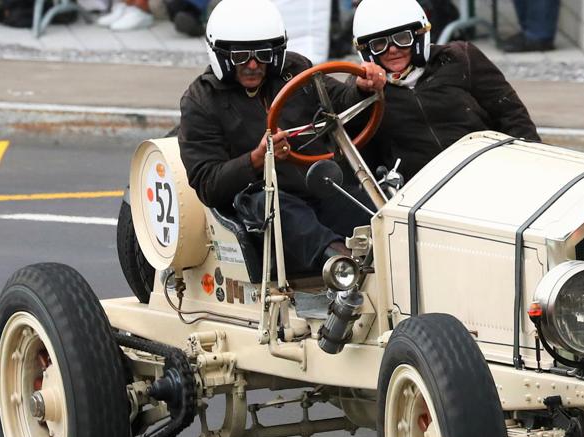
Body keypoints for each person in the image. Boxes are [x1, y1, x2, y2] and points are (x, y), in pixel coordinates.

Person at [178, 0, 386, 277]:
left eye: (263, 54)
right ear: (221, 55)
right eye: (241, 57)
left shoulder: (294, 70)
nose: (253, 65)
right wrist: (255, 159)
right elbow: (207, 183)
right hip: (254, 204)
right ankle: (343, 267)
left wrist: (361, 89)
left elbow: (338, 101)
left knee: (369, 209)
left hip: (316, 186)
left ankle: (393, 263)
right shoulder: (201, 100)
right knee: (275, 205)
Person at [351, 0, 540, 184]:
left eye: (402, 38)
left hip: (491, 174)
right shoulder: (360, 88)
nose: (392, 50)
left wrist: (532, 167)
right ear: (367, 50)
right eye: (379, 44)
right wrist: (362, 93)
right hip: (419, 194)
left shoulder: (459, 57)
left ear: (419, 35)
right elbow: (352, 157)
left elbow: (514, 117)